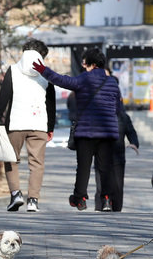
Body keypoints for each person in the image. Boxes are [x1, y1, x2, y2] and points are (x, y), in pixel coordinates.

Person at [33, 48, 121, 211]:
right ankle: (107, 199)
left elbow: (63, 81)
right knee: (105, 167)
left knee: (83, 167)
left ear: (92, 64)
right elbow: (117, 108)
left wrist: (43, 70)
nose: (83, 64)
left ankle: (80, 199)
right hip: (107, 132)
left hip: (86, 132)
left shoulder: (85, 79)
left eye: (85, 61)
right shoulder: (113, 83)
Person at [0, 39, 56, 213]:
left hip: (16, 122)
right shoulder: (46, 74)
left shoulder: (13, 70)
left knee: (12, 158)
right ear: (42, 55)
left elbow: (4, 97)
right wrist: (50, 127)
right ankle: (33, 200)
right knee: (37, 163)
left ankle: (15, 194)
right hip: (40, 124)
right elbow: (51, 103)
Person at [94, 70, 139, 212]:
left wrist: (134, 143)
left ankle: (117, 210)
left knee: (118, 185)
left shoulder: (123, 116)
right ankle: (102, 206)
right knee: (101, 183)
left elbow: (131, 131)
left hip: (118, 156)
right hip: (101, 154)